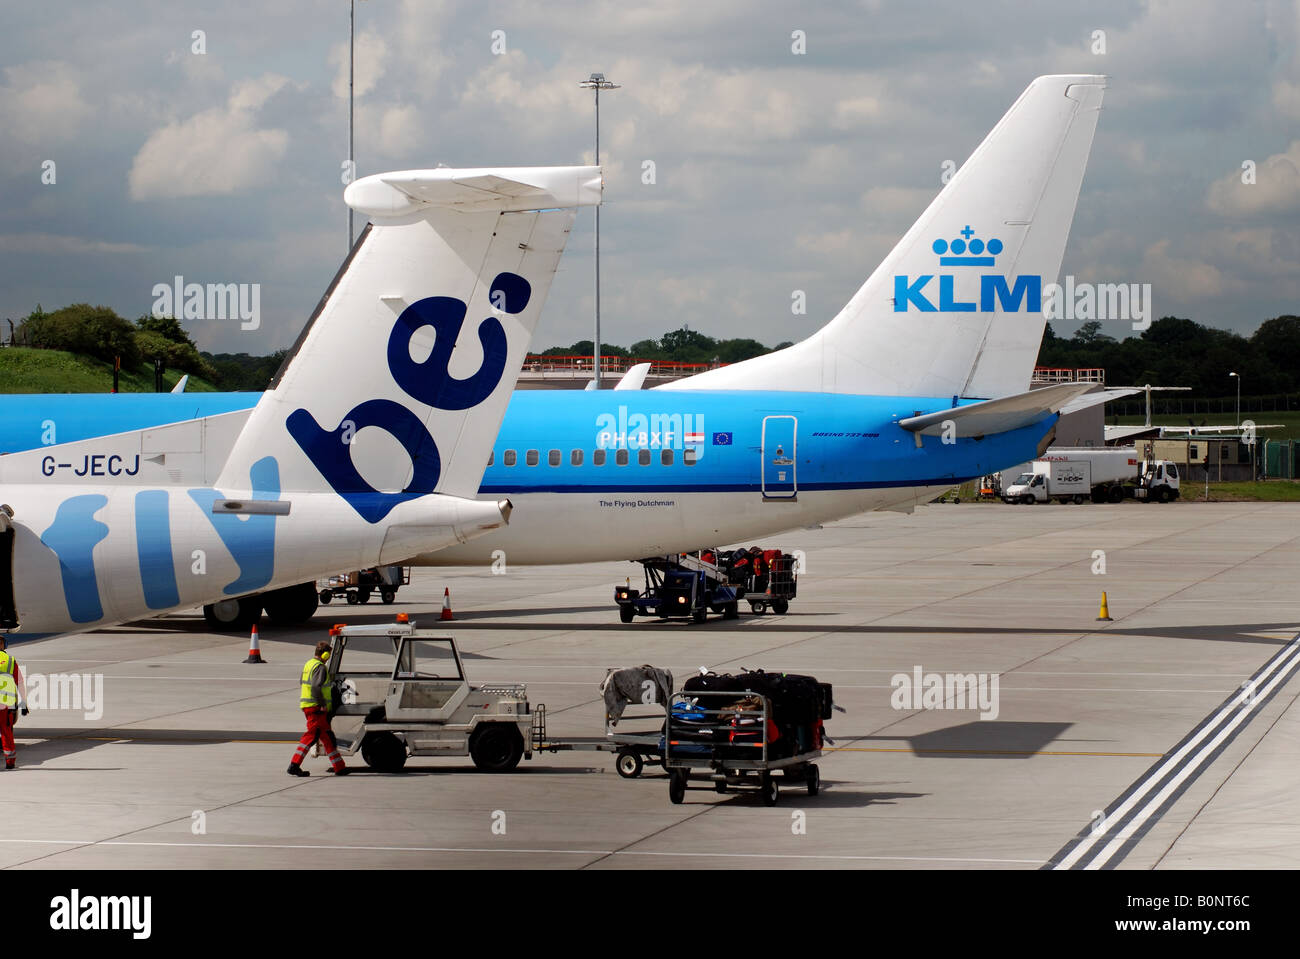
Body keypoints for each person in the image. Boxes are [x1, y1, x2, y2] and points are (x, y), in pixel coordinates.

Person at [288, 640, 348, 776]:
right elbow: (315, 687)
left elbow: (302, 683)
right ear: (326, 655)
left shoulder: (309, 664)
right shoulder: (320, 667)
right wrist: (321, 704)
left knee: (327, 737)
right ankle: (294, 765)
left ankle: (340, 767)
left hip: (309, 706)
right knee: (311, 736)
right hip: (315, 708)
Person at [0, 635, 29, 770]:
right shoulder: (10, 661)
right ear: (3, 645)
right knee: (7, 733)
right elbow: (20, 683)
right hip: (6, 705)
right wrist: (24, 703)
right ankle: (10, 762)